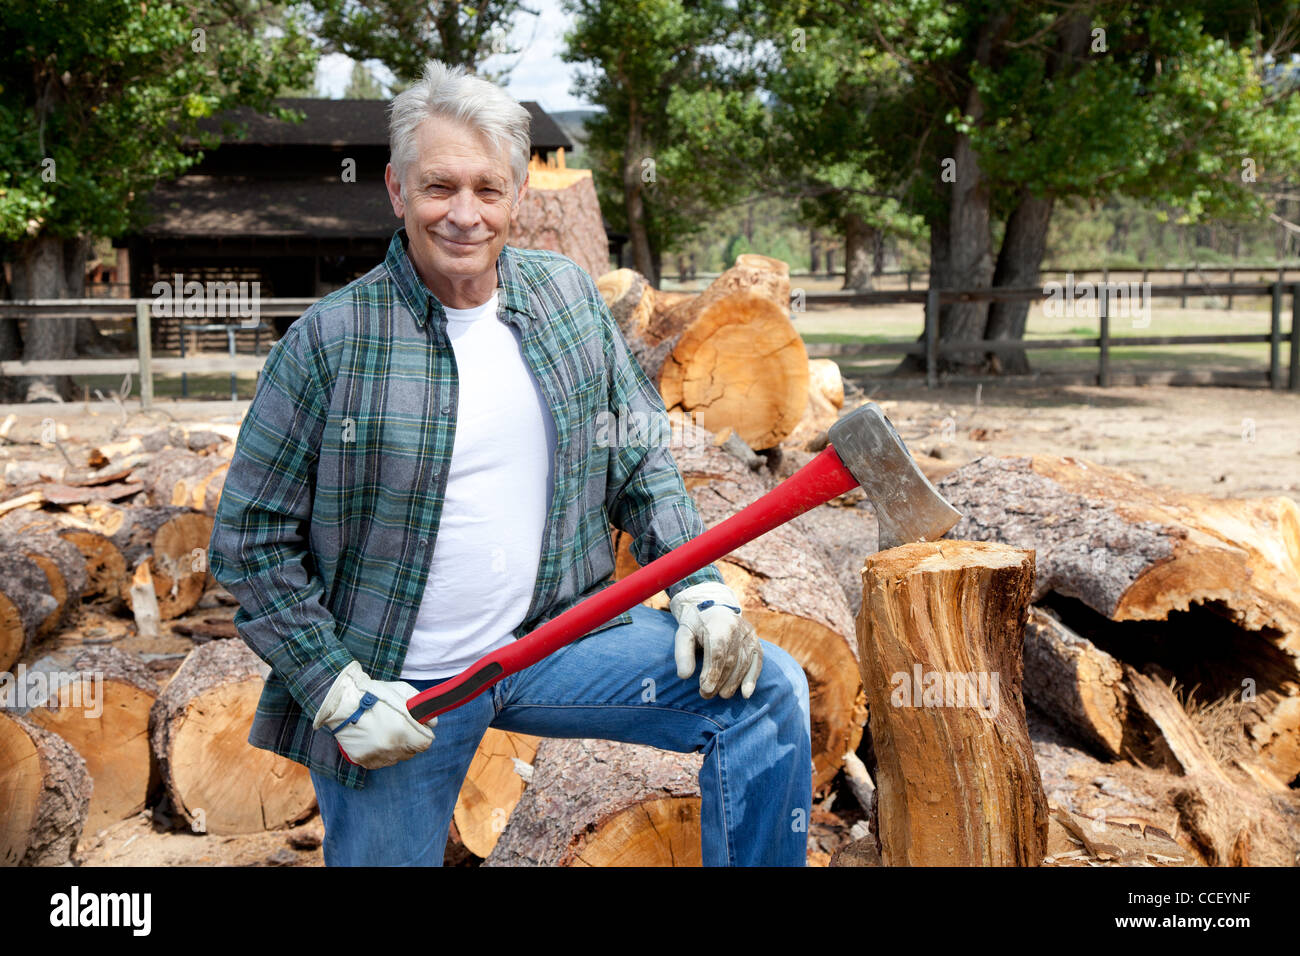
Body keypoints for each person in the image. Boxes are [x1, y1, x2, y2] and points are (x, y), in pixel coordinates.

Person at [208, 59, 813, 867]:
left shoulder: (565, 299)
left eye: (488, 190)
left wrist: (699, 588)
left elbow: (636, 460)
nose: (464, 214)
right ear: (395, 190)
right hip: (403, 687)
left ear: (519, 195)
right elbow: (249, 539)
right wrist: (336, 686)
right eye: (439, 188)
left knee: (767, 694)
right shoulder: (329, 343)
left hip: (556, 642)